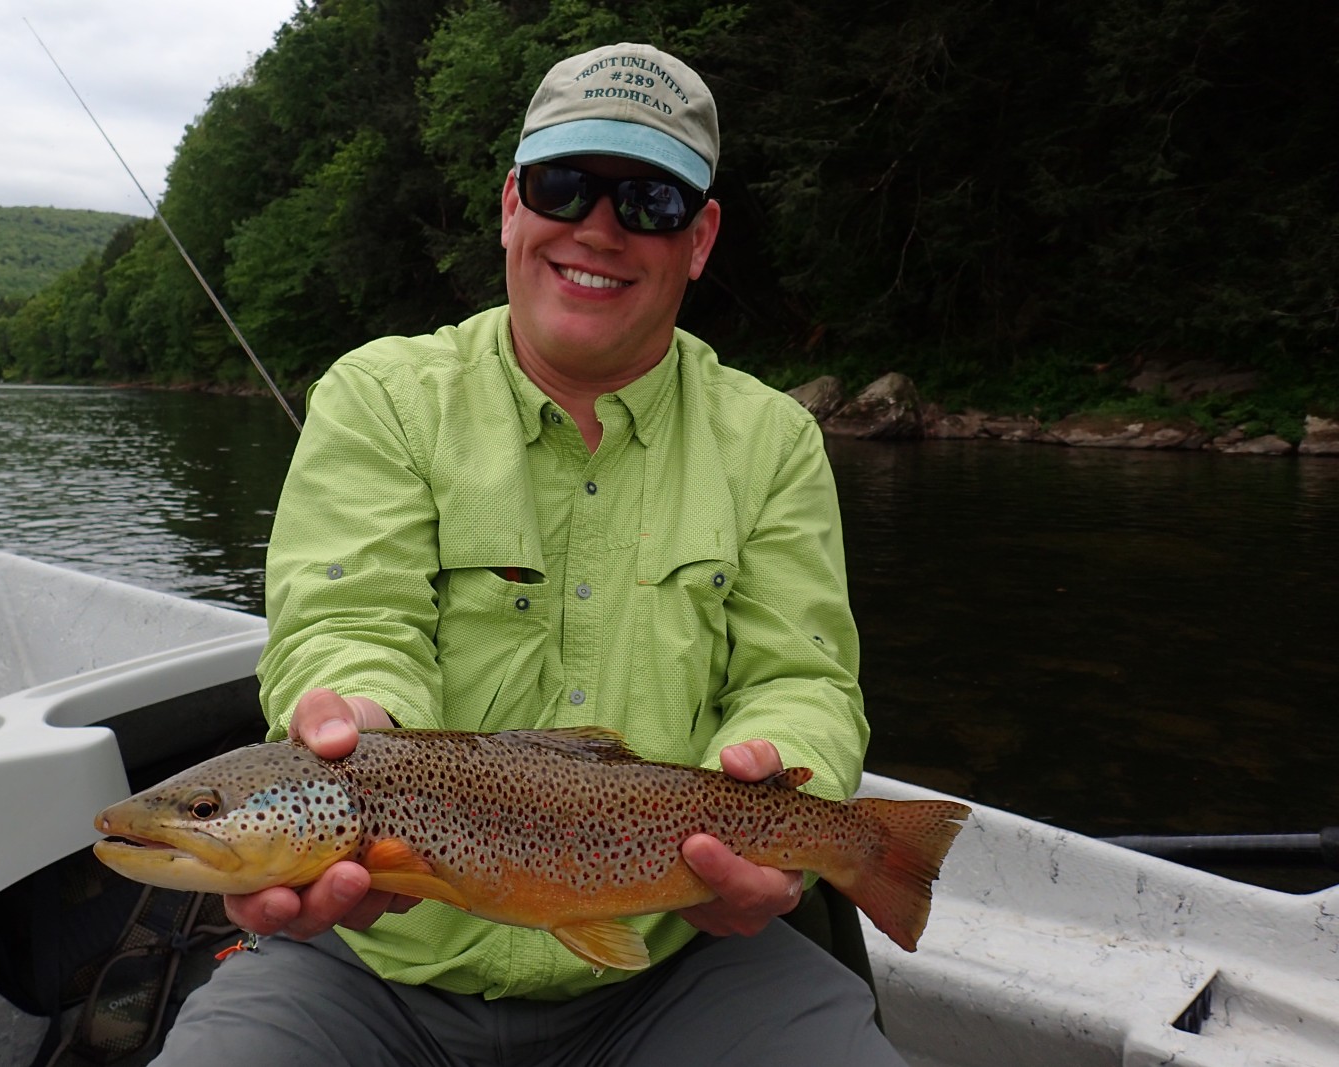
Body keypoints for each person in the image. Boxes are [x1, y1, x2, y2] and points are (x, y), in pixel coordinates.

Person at [153, 41, 905, 1066]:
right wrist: (357, 719)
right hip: (371, 968)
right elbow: (349, 623)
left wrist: (781, 772)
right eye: (565, 186)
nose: (599, 228)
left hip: (675, 954)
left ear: (700, 237)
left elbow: (802, 674)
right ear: (511, 203)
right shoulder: (382, 398)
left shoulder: (770, 440)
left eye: (648, 200)